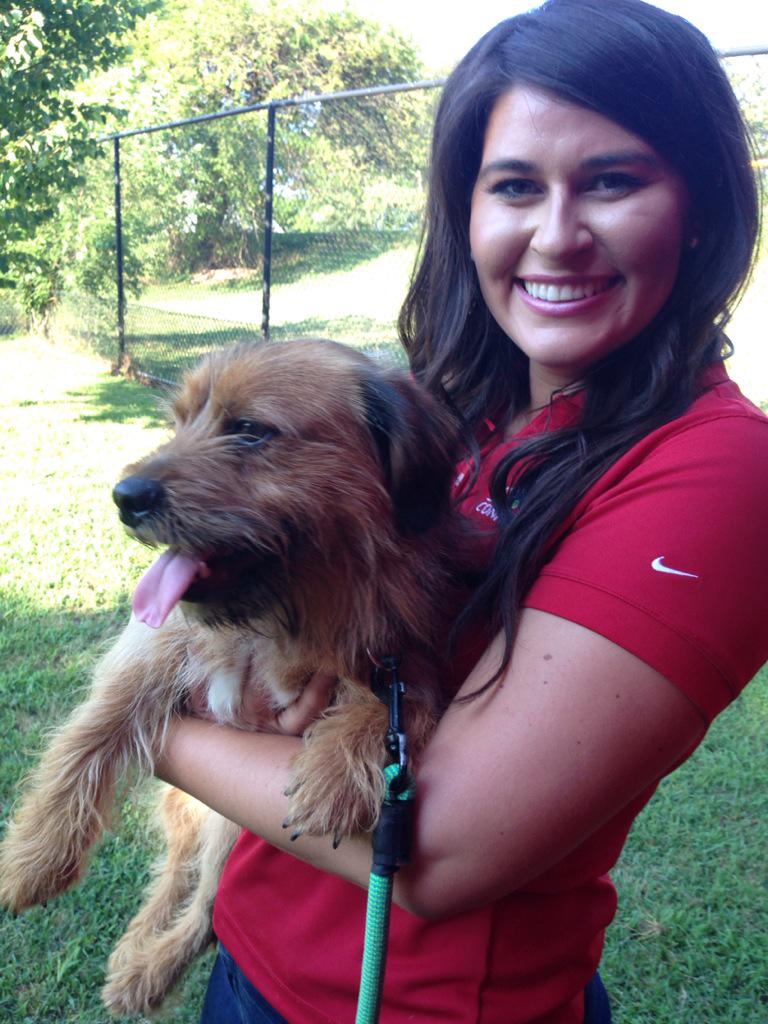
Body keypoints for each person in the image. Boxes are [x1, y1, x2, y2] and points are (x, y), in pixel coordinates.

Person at [156, 1, 768, 1021]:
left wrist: (160, 728)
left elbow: (439, 849)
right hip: (252, 957)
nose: (557, 235)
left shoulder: (718, 472)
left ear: (697, 206)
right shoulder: (444, 411)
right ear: (466, 212)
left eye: (613, 181)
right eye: (515, 186)